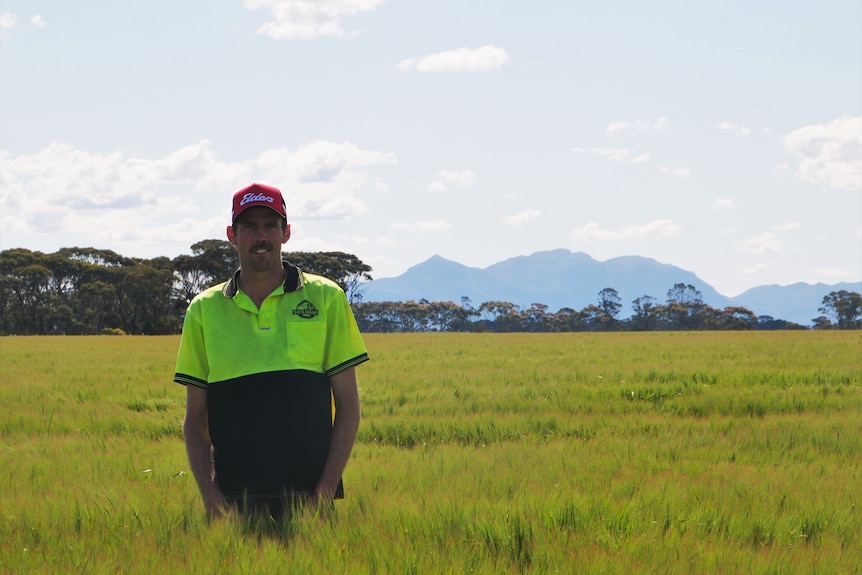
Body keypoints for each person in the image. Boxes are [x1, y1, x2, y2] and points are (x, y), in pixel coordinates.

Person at [174, 182, 369, 521]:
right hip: (233, 508)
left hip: (311, 507)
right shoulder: (203, 310)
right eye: (249, 226)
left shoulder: (326, 298)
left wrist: (323, 493)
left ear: (286, 232)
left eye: (270, 225)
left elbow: (349, 408)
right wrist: (211, 497)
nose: (260, 235)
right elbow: (195, 422)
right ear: (232, 235)